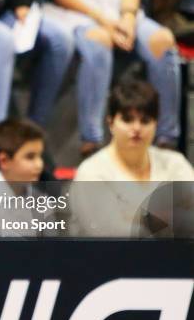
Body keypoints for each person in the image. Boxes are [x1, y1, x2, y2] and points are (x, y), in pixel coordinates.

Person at [41, 0, 181, 156]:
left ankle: (166, 140)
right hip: (72, 7)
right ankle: (92, 141)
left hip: (113, 2)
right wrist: (103, 21)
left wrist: (127, 17)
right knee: (99, 42)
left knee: (162, 40)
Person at [72, 80, 194, 236]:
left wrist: (138, 218)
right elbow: (109, 233)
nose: (136, 128)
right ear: (110, 123)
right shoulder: (91, 172)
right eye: (127, 119)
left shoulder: (174, 163)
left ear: (156, 124)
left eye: (145, 121)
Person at [0, 119, 59, 237]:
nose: (39, 164)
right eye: (30, 157)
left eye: (40, 156)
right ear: (4, 161)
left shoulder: (41, 200)